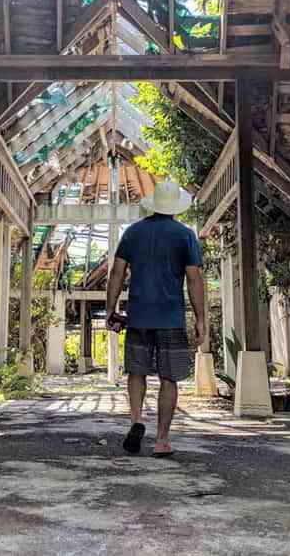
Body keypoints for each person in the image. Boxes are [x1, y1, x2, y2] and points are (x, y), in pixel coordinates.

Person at [106, 180, 206, 457]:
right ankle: (162, 440)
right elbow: (194, 280)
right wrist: (200, 319)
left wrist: (111, 308)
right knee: (168, 378)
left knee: (136, 372)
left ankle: (137, 419)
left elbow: (116, 273)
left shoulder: (133, 232)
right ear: (175, 207)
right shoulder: (185, 235)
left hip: (138, 316)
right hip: (170, 317)